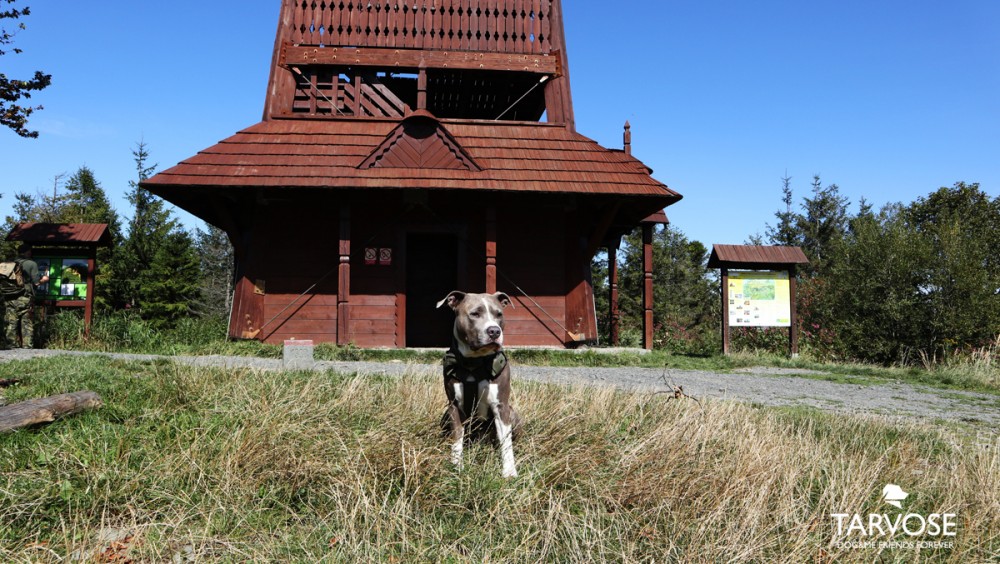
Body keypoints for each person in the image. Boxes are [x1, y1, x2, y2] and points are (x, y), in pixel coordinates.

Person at [3, 244, 48, 349]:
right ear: (28, 252)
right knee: (26, 322)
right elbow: (36, 283)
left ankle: (10, 345)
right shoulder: (31, 264)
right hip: (24, 297)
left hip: (9, 296)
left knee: (11, 322)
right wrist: (45, 279)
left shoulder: (10, 262)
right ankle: (27, 346)